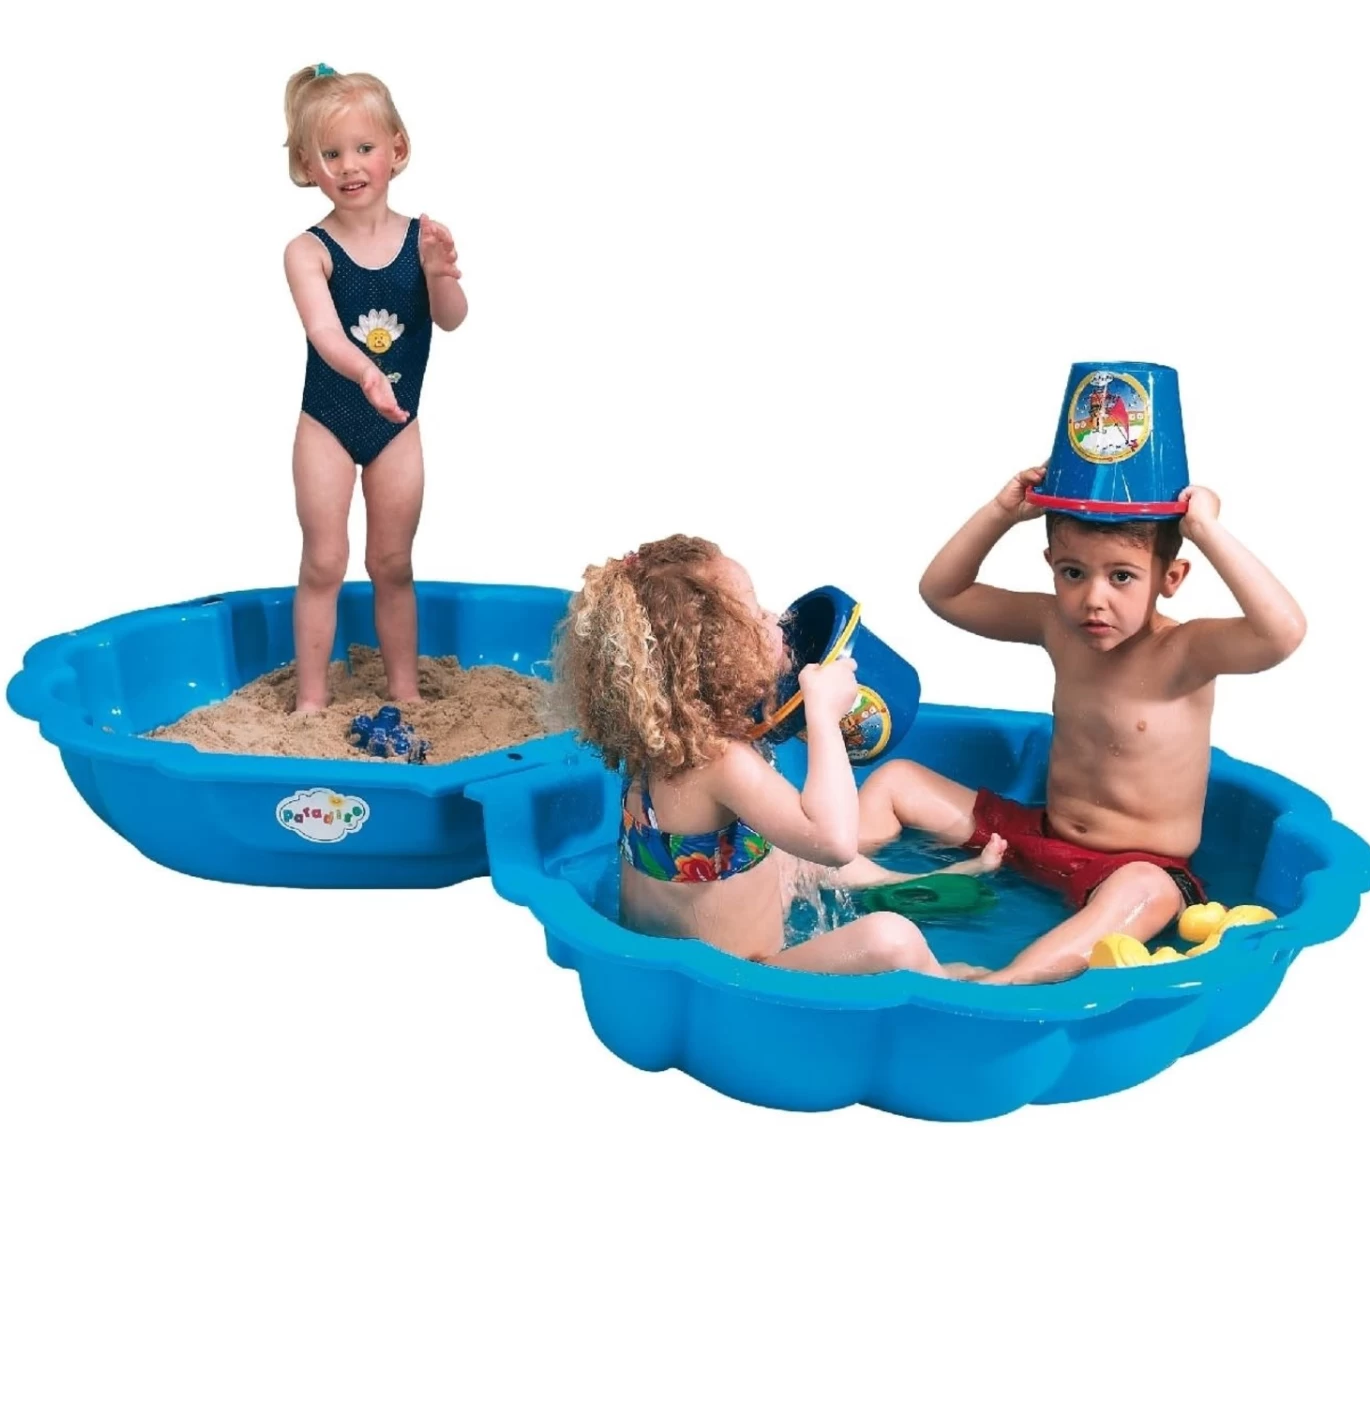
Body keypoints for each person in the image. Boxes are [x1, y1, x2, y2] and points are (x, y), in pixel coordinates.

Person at [857, 466, 1306, 984]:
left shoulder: (1186, 652)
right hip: (1037, 837)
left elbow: (1282, 633)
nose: (1094, 598)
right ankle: (846, 878)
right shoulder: (1057, 624)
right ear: (1050, 564)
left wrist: (1205, 529)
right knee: (898, 780)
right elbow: (944, 592)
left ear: (1171, 578)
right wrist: (1002, 514)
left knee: (1149, 891)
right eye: (1073, 573)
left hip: (1131, 866)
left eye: (1122, 577)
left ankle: (1002, 983)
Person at [554, 536, 1001, 976]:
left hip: (682, 964)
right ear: (716, 655)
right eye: (754, 611)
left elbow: (805, 836)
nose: (774, 617)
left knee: (790, 845)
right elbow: (834, 843)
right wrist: (824, 716)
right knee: (892, 939)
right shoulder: (721, 762)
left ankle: (895, 884)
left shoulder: (665, 746)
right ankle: (954, 985)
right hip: (739, 983)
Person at [281, 64, 468, 712]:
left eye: (364, 147)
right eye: (331, 154)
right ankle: (310, 701)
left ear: (397, 148)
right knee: (324, 562)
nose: (350, 165)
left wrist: (441, 274)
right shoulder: (308, 250)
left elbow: (451, 319)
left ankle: (405, 689)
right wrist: (365, 372)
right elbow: (325, 332)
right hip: (328, 422)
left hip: (397, 427)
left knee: (392, 563)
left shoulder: (421, 239)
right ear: (308, 164)